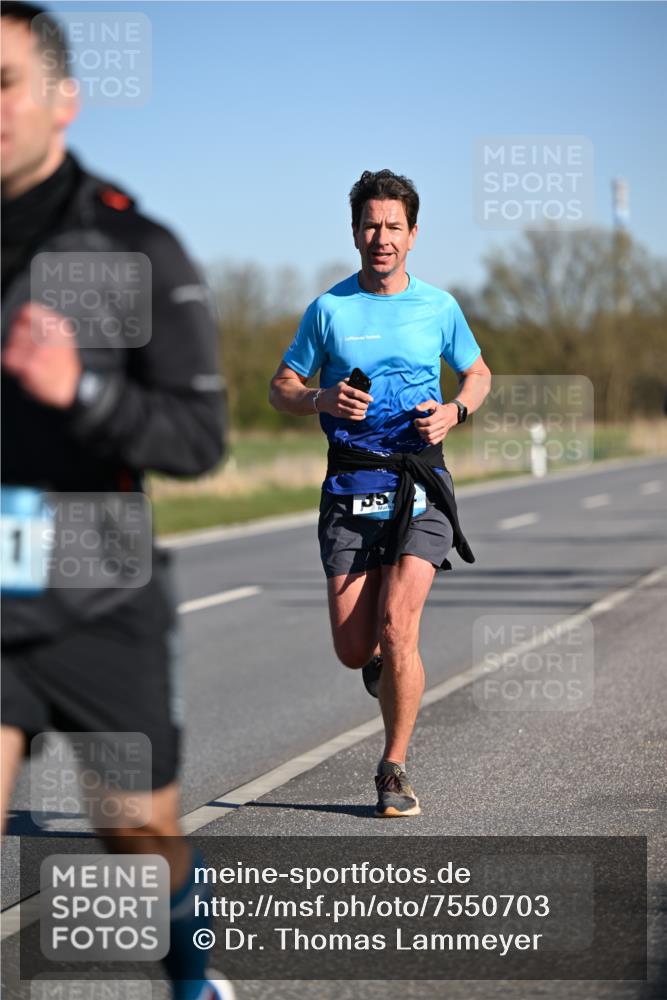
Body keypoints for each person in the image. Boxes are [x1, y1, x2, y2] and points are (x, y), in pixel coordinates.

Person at [0, 4, 233, 998]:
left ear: (63, 101)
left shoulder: (130, 243)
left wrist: (84, 391)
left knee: (137, 831)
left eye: (2, 82)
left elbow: (199, 438)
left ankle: (192, 974)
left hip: (99, 584)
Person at [269, 169, 491, 818]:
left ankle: (392, 769)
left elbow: (476, 373)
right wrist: (318, 396)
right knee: (352, 649)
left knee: (399, 627)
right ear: (354, 231)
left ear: (413, 235)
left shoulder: (439, 307)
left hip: (420, 481)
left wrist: (455, 411)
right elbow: (278, 387)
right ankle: (377, 667)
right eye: (370, 224)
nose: (381, 236)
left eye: (393, 226)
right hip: (350, 482)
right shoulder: (329, 310)